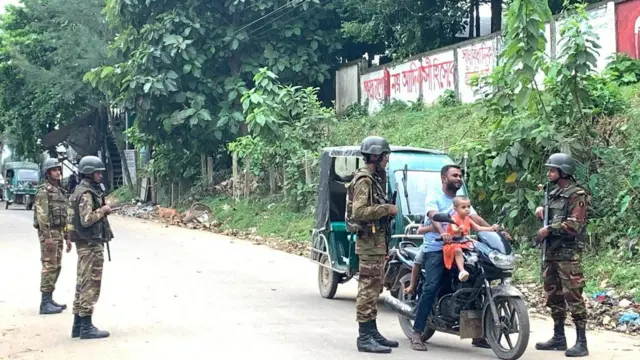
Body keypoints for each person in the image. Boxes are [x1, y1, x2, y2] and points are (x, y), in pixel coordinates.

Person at [409, 164, 496, 351]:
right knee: (431, 286)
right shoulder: (434, 196)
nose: (459, 178)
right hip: (436, 246)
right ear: (444, 178)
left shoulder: (460, 200)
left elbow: (476, 219)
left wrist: (495, 231)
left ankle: (475, 333)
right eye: (454, 175)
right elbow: (433, 216)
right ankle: (417, 331)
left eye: (460, 175)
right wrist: (443, 233)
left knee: (474, 281)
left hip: (460, 246)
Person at [346, 136, 398, 353]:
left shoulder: (375, 178)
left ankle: (372, 330)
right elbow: (359, 212)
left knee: (374, 288)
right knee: (368, 288)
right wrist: (386, 209)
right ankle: (364, 337)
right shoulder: (365, 180)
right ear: (376, 156)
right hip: (369, 243)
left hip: (376, 243)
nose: (387, 160)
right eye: (385, 156)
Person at [534, 153, 589, 357]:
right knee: (553, 295)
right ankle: (559, 337)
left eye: (552, 170)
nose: (549, 173)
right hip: (551, 252)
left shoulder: (577, 195)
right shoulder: (554, 193)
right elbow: (551, 216)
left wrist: (549, 230)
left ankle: (581, 342)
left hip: (568, 255)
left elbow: (574, 225)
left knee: (573, 296)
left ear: (563, 172)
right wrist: (542, 211)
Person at [68, 155, 113, 340]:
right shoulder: (86, 194)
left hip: (85, 244)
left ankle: (78, 325)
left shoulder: (80, 190)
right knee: (90, 284)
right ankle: (86, 326)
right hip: (90, 244)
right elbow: (86, 220)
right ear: (89, 173)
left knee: (82, 282)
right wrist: (103, 210)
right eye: (97, 173)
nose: (100, 176)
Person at [33, 158, 73, 315]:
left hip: (59, 233)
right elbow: (42, 216)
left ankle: (50, 298)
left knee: (56, 266)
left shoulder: (60, 191)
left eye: (58, 169)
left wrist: (67, 236)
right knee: (49, 265)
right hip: (49, 234)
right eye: (54, 170)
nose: (57, 172)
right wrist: (47, 237)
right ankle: (45, 302)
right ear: (48, 172)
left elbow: (65, 216)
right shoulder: (44, 191)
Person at [444, 196, 499, 282]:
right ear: (455, 209)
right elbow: (454, 229)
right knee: (458, 250)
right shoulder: (453, 218)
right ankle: (462, 271)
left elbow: (478, 228)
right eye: (463, 207)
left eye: (468, 207)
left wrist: (491, 228)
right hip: (453, 243)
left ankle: (480, 271)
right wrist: (458, 229)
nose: (467, 209)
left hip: (465, 242)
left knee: (479, 250)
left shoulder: (468, 219)